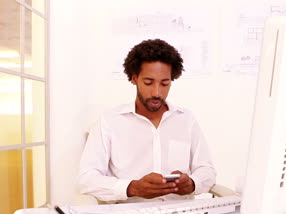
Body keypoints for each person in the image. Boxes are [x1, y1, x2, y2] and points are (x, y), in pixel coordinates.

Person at [79, 39, 216, 202]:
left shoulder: (186, 119)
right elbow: (86, 179)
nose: (157, 92)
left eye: (165, 83)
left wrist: (193, 183)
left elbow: (206, 169)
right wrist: (132, 187)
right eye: (148, 83)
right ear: (134, 78)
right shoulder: (110, 120)